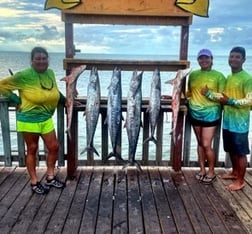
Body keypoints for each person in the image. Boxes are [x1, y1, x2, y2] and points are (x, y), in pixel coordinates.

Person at [0, 47, 65, 194]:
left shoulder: (50, 73)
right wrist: (15, 99)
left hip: (46, 118)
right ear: (32, 61)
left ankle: (50, 177)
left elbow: (53, 90)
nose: (41, 61)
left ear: (48, 59)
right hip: (29, 119)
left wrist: (65, 100)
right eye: (38, 59)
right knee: (32, 149)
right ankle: (34, 181)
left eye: (44, 58)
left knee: (54, 147)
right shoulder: (24, 75)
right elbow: (1, 85)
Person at [203, 46, 252, 191]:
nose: (234, 59)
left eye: (237, 57)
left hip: (240, 123)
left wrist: (231, 102)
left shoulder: (247, 78)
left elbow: (250, 100)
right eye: (232, 56)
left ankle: (241, 180)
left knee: (240, 152)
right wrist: (209, 94)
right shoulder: (229, 77)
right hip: (228, 122)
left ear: (243, 60)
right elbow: (223, 97)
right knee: (231, 150)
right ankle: (235, 172)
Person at [187, 49, 226, 184]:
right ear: (198, 60)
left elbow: (223, 97)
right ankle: (202, 170)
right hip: (194, 112)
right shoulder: (193, 75)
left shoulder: (219, 76)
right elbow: (189, 93)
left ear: (211, 59)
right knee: (199, 143)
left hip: (211, 114)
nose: (203, 60)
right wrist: (175, 96)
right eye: (201, 58)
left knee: (206, 144)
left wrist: (209, 93)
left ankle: (211, 171)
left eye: (206, 58)